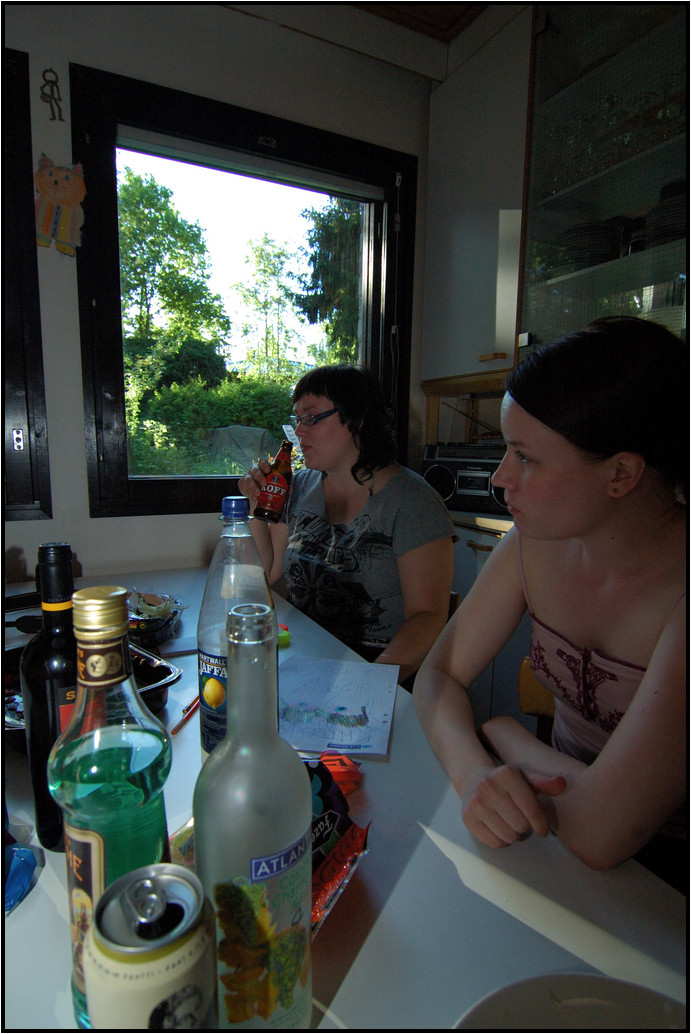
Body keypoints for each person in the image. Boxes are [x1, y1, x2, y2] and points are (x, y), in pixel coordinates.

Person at [414, 317, 687, 892]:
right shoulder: (531, 544)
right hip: (553, 831)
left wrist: (511, 740)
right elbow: (436, 676)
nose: (500, 478)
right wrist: (475, 774)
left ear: (621, 473)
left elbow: (602, 834)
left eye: (525, 457)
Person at [239, 364, 456, 686]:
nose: (299, 431)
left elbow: (428, 616)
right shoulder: (299, 486)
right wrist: (257, 507)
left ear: (358, 418)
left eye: (311, 417)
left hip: (374, 667)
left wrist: (369, 682)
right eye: (297, 419)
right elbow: (267, 574)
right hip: (301, 656)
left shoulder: (414, 503)